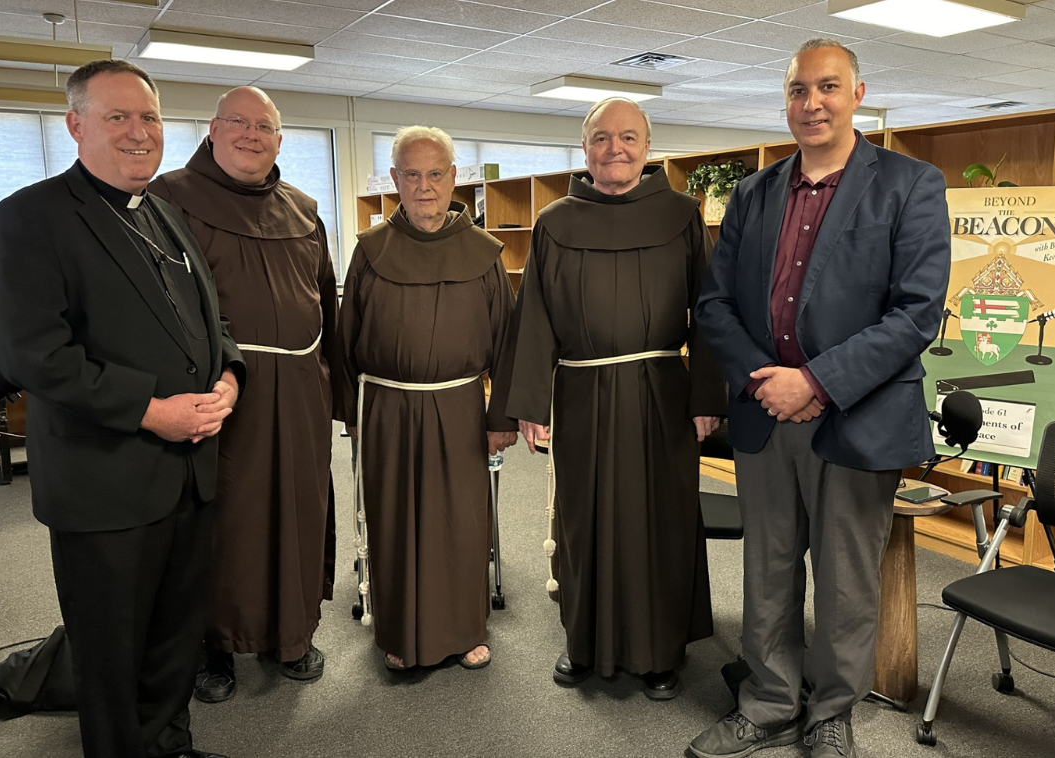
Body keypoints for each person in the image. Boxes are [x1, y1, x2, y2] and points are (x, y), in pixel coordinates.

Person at [689, 39, 951, 758]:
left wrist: (816, 382)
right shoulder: (754, 193)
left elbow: (917, 312)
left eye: (828, 87)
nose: (812, 103)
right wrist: (763, 381)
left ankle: (833, 711)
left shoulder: (911, 184)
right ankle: (770, 701)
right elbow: (714, 306)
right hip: (765, 414)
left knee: (845, 578)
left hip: (857, 417)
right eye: (799, 90)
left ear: (858, 94)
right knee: (767, 569)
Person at [0, 60, 244, 758]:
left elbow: (210, 322)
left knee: (173, 635)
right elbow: (32, 355)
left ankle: (170, 745)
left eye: (150, 117)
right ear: (75, 125)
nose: (138, 133)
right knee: (111, 649)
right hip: (105, 478)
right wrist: (151, 411)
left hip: (189, 471)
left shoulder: (163, 212)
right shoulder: (27, 218)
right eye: (117, 117)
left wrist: (229, 377)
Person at [498, 97, 725, 701]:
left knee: (661, 520)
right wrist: (529, 406)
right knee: (583, 518)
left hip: (660, 392)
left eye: (628, 137)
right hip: (582, 392)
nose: (615, 148)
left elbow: (709, 314)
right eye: (602, 137)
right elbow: (536, 320)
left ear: (648, 148)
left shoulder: (681, 215)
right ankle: (585, 642)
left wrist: (707, 394)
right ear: (585, 148)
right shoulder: (554, 221)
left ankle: (659, 653)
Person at [149, 86, 340, 702]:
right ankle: (216, 647)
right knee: (224, 521)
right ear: (211, 128)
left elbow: (327, 304)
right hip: (221, 395)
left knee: (299, 511)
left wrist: (340, 395)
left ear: (280, 140)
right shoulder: (168, 198)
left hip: (303, 391)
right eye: (238, 122)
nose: (251, 135)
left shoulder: (305, 208)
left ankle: (293, 636)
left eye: (265, 126)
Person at [335, 125, 518, 672]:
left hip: (460, 408)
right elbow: (347, 340)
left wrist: (501, 415)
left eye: (435, 174)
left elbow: (506, 344)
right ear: (394, 180)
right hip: (387, 409)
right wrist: (353, 416)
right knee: (394, 519)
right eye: (411, 175)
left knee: (462, 522)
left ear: (453, 177)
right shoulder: (370, 252)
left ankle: (465, 631)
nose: (424, 187)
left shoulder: (484, 255)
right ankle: (400, 632)